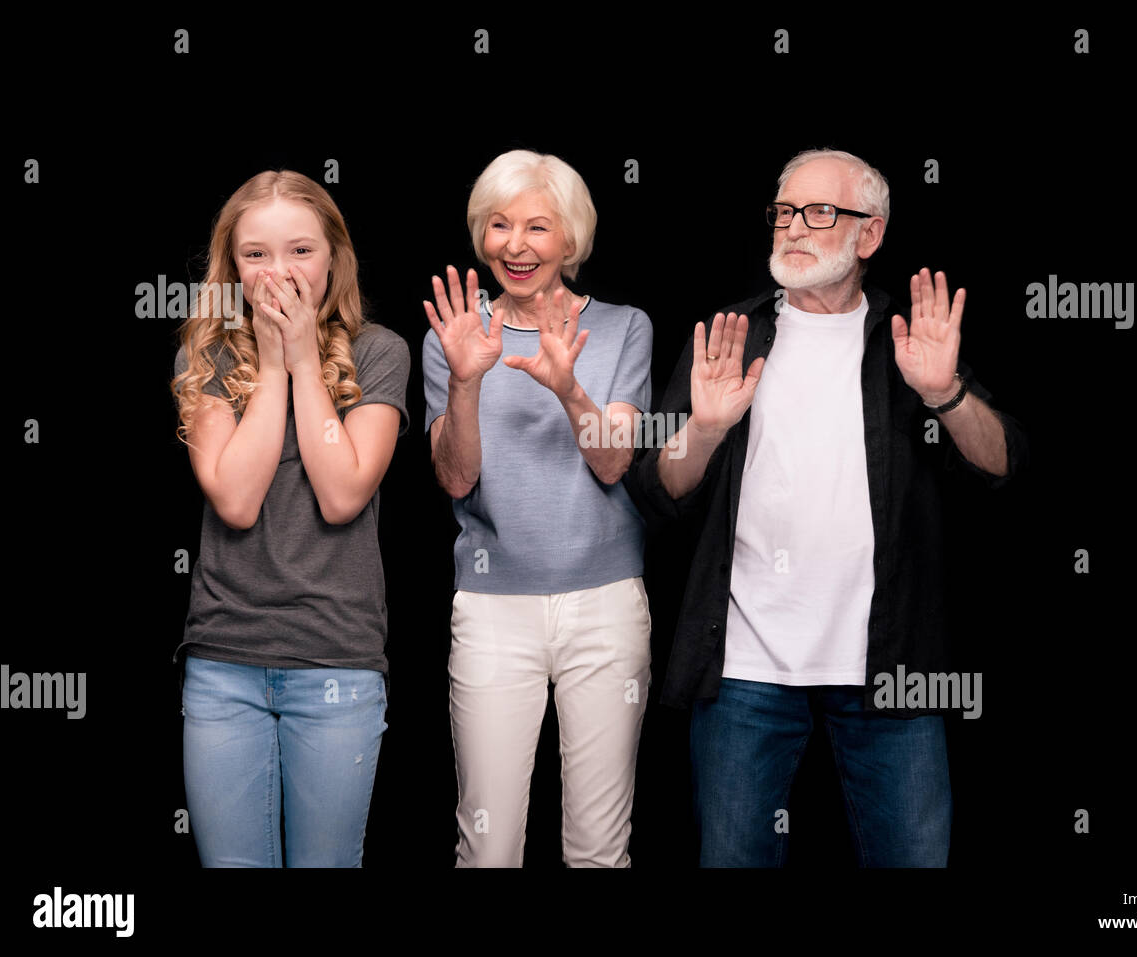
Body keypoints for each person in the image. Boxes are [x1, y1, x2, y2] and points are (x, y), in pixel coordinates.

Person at [623, 149, 1028, 867]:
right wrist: (708, 426)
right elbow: (659, 494)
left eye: (818, 212)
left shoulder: (910, 341)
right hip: (744, 669)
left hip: (889, 669)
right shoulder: (730, 335)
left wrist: (945, 395)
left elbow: (1001, 466)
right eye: (784, 212)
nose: (793, 228)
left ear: (868, 235)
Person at [170, 169, 410, 867]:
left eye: (301, 250)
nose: (280, 272)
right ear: (232, 266)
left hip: (336, 660)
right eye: (256, 254)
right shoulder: (206, 356)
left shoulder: (379, 352)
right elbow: (237, 501)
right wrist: (272, 367)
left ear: (333, 256)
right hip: (224, 665)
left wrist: (306, 360)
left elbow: (342, 494)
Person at [422, 149, 653, 867]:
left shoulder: (623, 327)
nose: (515, 246)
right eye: (498, 225)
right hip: (493, 608)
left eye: (536, 227)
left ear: (570, 239)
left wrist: (568, 386)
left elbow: (614, 460)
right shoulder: (453, 337)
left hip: (606, 603)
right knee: (487, 848)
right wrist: (466, 380)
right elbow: (457, 480)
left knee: (597, 850)